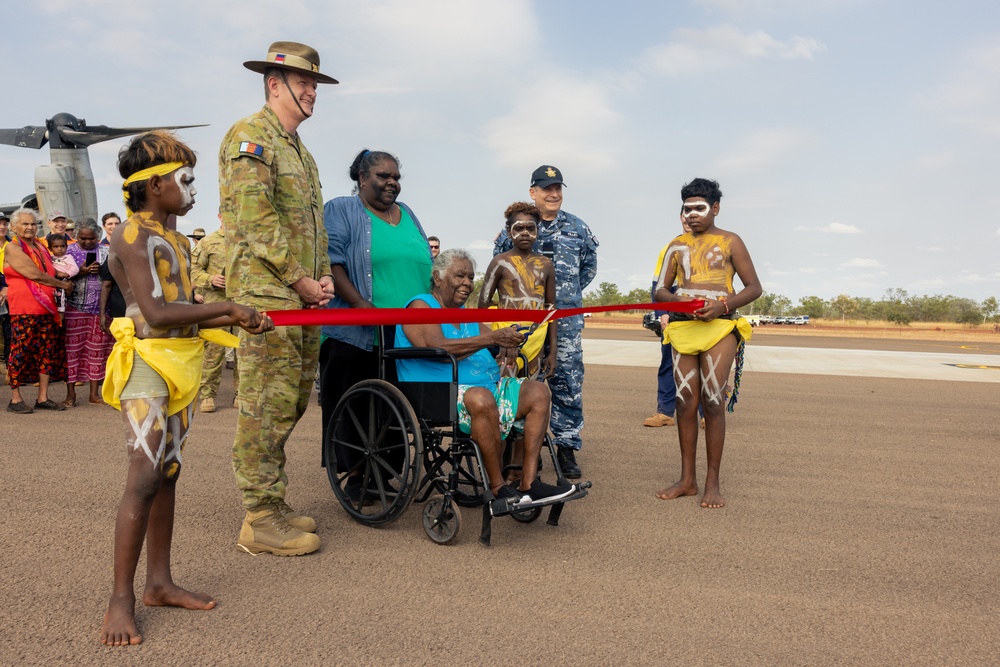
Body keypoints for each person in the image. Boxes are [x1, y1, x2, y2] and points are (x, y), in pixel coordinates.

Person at [99, 130, 270, 647]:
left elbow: (183, 307)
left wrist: (233, 319)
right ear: (153, 186)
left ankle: (159, 583)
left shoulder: (174, 239)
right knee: (144, 474)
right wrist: (230, 309)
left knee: (167, 472)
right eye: (184, 180)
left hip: (181, 360)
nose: (193, 190)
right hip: (147, 361)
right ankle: (120, 599)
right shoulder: (131, 235)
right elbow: (154, 312)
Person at [220, 40, 337, 556]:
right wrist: (297, 279)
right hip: (268, 296)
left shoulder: (299, 151)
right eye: (306, 83)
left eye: (316, 84)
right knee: (265, 403)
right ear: (275, 83)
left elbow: (312, 226)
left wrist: (322, 279)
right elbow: (254, 220)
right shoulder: (251, 137)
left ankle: (273, 500)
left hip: (301, 297)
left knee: (289, 400)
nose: (313, 91)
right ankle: (260, 517)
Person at [395, 248, 575, 503]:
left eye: (470, 277)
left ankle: (528, 482)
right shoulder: (421, 305)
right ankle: (499, 487)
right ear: (437, 277)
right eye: (460, 276)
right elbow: (438, 346)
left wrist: (507, 341)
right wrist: (492, 337)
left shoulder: (466, 315)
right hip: (437, 390)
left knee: (538, 391)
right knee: (480, 397)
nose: (467, 283)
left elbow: (491, 339)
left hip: (485, 386)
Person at [320, 149, 432, 497]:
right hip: (359, 328)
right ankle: (356, 476)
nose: (392, 183)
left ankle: (385, 473)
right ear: (362, 178)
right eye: (384, 176)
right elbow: (332, 261)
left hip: (406, 330)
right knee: (359, 405)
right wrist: (359, 304)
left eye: (396, 177)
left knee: (398, 405)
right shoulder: (342, 209)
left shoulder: (408, 213)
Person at [653, 178, 761, 508]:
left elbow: (754, 287)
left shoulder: (731, 241)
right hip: (685, 329)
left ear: (715, 209)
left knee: (713, 400)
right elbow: (660, 290)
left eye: (700, 208)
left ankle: (712, 482)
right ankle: (687, 480)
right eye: (687, 209)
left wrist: (722, 305)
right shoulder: (676, 245)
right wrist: (677, 302)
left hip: (720, 327)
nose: (693, 214)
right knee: (685, 402)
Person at [493, 165, 598, 479]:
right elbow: (500, 267)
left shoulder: (578, 228)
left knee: (567, 383)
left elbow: (588, 270)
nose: (554, 194)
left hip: (564, 322)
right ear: (532, 192)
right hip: (526, 326)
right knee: (525, 382)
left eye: (558, 188)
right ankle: (527, 449)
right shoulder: (516, 228)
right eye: (546, 188)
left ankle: (566, 447)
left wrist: (565, 295)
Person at [2, 209, 73, 413]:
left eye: (33, 224)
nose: (30, 227)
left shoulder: (40, 247)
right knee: (20, 351)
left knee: (46, 351)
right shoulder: (13, 248)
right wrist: (62, 284)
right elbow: (35, 274)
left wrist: (63, 274)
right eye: (25, 224)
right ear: (14, 227)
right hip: (24, 308)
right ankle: (15, 399)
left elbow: (48, 269)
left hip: (45, 308)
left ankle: (43, 397)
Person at [479, 201, 557, 379]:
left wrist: (552, 352)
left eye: (530, 228)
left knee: (532, 390)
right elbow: (484, 305)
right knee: (507, 391)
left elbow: (551, 309)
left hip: (536, 338)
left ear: (537, 231)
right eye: (519, 228)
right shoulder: (500, 262)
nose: (525, 233)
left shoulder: (546, 265)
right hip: (506, 339)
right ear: (508, 232)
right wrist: (498, 336)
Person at [64, 217, 115, 407]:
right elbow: (59, 277)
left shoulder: (106, 252)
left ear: (98, 236)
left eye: (91, 239)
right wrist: (82, 272)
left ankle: (94, 394)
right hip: (73, 307)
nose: (87, 242)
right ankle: (71, 394)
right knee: (72, 351)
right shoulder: (67, 252)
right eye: (83, 239)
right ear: (76, 236)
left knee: (97, 351)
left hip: (100, 309)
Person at [191, 221, 237, 412]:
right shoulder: (208, 242)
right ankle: (208, 395)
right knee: (213, 353)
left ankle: (242, 395)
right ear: (219, 216)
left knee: (244, 351)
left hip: (243, 302)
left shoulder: (246, 241)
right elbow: (193, 270)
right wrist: (210, 279)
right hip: (216, 305)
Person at [45, 233, 79, 314]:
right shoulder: (50, 258)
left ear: (66, 247)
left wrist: (67, 274)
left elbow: (75, 269)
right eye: (56, 247)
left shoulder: (68, 258)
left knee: (61, 294)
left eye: (62, 246)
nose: (60, 249)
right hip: (53, 280)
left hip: (63, 280)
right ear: (50, 248)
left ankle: (61, 310)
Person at [0, 211, 10, 367]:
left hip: (11, 292)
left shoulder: (13, 244)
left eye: (4, 223)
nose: (2, 227)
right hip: (3, 289)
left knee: (11, 332)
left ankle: (11, 368)